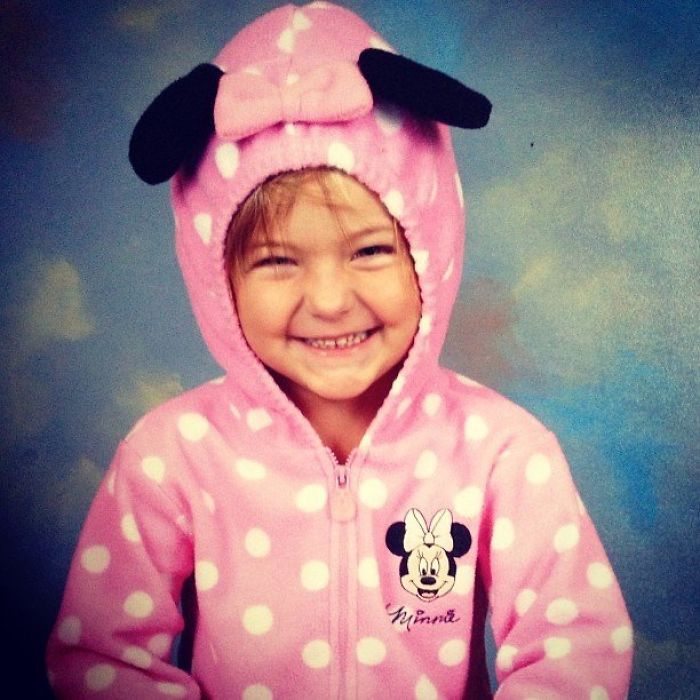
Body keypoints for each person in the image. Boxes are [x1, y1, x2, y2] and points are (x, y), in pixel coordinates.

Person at [46, 3, 633, 698]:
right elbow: (104, 659)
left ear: (429, 250)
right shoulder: (171, 455)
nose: (328, 300)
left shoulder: (502, 452)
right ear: (217, 279)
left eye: (371, 250)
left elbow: (574, 651)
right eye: (276, 261)